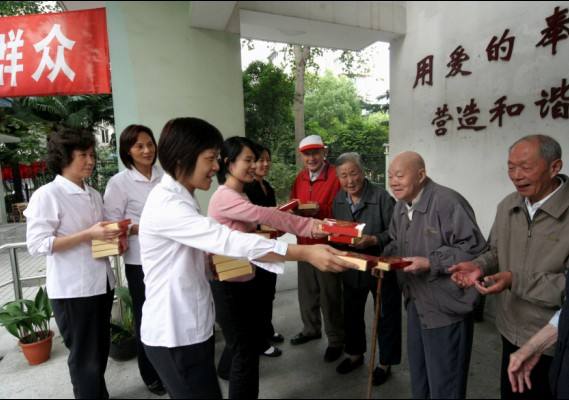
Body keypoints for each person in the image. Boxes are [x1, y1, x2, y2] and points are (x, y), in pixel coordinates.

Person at [138, 117, 355, 399]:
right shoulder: (168, 203)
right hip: (174, 333)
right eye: (211, 159)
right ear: (183, 157)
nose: (216, 167)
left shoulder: (183, 196)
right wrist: (305, 252)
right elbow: (228, 239)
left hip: (191, 327)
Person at [450, 134, 569, 399]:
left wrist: (516, 279)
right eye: (510, 166)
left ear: (554, 167)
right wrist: (479, 266)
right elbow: (495, 251)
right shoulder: (508, 205)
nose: (515, 175)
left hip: (554, 340)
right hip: (510, 328)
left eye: (525, 167)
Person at [209, 136, 327, 398]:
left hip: (242, 277)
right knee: (244, 355)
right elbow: (265, 216)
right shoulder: (225, 196)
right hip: (228, 284)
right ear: (229, 163)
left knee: (247, 350)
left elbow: (260, 221)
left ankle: (228, 372)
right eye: (248, 160)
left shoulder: (238, 193)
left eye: (256, 160)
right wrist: (310, 227)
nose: (254, 165)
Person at [24, 127, 121, 399]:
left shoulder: (93, 194)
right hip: (72, 290)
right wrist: (89, 234)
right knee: (84, 359)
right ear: (64, 157)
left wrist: (115, 241)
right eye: (83, 155)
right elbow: (38, 244)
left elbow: (98, 237)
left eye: (92, 154)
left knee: (100, 351)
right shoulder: (48, 194)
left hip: (101, 283)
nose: (90, 160)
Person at [384, 151, 487, 399]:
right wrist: (379, 260)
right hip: (416, 302)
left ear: (421, 175)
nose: (393, 182)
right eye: (390, 176)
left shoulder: (447, 202)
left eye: (399, 175)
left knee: (446, 383)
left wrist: (432, 262)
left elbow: (475, 249)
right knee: (420, 378)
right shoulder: (400, 206)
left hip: (446, 307)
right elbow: (396, 242)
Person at [103, 124, 165, 396]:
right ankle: (150, 373)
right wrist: (143, 227)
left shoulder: (166, 176)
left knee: (166, 315)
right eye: (139, 146)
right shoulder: (119, 183)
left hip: (168, 257)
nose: (147, 150)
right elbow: (111, 224)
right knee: (146, 318)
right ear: (127, 150)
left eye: (149, 144)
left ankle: (169, 366)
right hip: (140, 261)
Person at [331, 152, 401, 385]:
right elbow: (337, 231)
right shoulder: (339, 199)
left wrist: (373, 240)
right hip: (352, 266)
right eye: (344, 176)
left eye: (353, 173)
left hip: (379, 266)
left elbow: (397, 233)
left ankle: (385, 362)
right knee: (351, 312)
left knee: (385, 313)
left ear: (363, 173)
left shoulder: (382, 198)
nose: (350, 181)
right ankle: (355, 354)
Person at [290, 134, 345, 363]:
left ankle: (335, 340)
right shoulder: (300, 178)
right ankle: (311, 329)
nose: (311, 158)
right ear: (301, 156)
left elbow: (344, 208)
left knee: (330, 296)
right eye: (307, 154)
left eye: (315, 152)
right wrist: (295, 212)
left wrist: (320, 211)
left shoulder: (336, 176)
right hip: (304, 244)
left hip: (327, 245)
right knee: (307, 292)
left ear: (324, 152)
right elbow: (293, 204)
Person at [243, 144, 284, 355]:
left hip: (270, 245)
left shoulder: (268, 187)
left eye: (267, 159)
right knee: (257, 295)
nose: (264, 164)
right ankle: (260, 341)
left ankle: (267, 329)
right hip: (256, 249)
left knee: (269, 291)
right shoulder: (246, 189)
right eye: (260, 160)